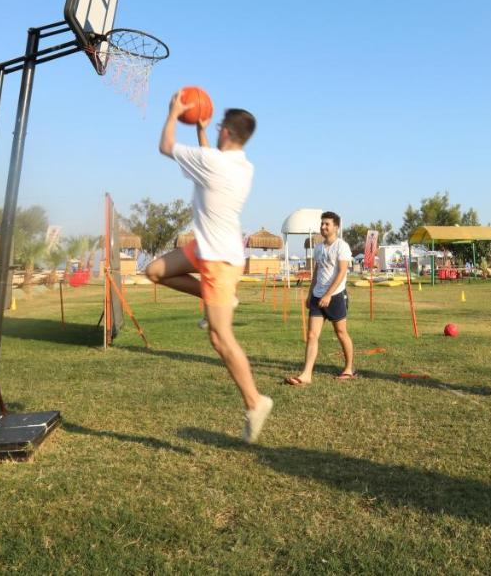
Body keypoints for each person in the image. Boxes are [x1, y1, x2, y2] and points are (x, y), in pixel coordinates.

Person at [144, 95, 273, 443]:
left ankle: (255, 402)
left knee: (219, 337)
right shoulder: (243, 166)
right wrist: (203, 130)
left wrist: (173, 112)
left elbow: (166, 145)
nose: (214, 132)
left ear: (227, 131)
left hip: (217, 258)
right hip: (208, 247)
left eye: (218, 128)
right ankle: (220, 300)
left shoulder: (213, 162)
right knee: (155, 270)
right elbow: (210, 159)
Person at [285, 211, 356, 385]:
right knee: (312, 335)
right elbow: (317, 271)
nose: (323, 227)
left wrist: (328, 295)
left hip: (336, 296)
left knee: (340, 332)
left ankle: (349, 368)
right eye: (322, 224)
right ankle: (306, 374)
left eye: (327, 224)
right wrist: (311, 293)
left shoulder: (342, 246)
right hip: (318, 296)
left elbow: (341, 273)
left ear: (336, 227)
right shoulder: (318, 247)